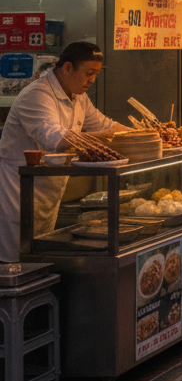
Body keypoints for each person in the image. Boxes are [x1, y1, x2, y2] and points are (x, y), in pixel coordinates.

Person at [0, 41, 130, 262]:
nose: (92, 80)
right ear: (68, 68)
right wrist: (104, 136)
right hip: (17, 195)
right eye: (89, 73)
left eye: (96, 74)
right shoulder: (37, 95)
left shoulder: (78, 96)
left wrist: (142, 134)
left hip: (48, 195)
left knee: (38, 260)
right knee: (14, 262)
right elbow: (55, 139)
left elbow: (103, 123)